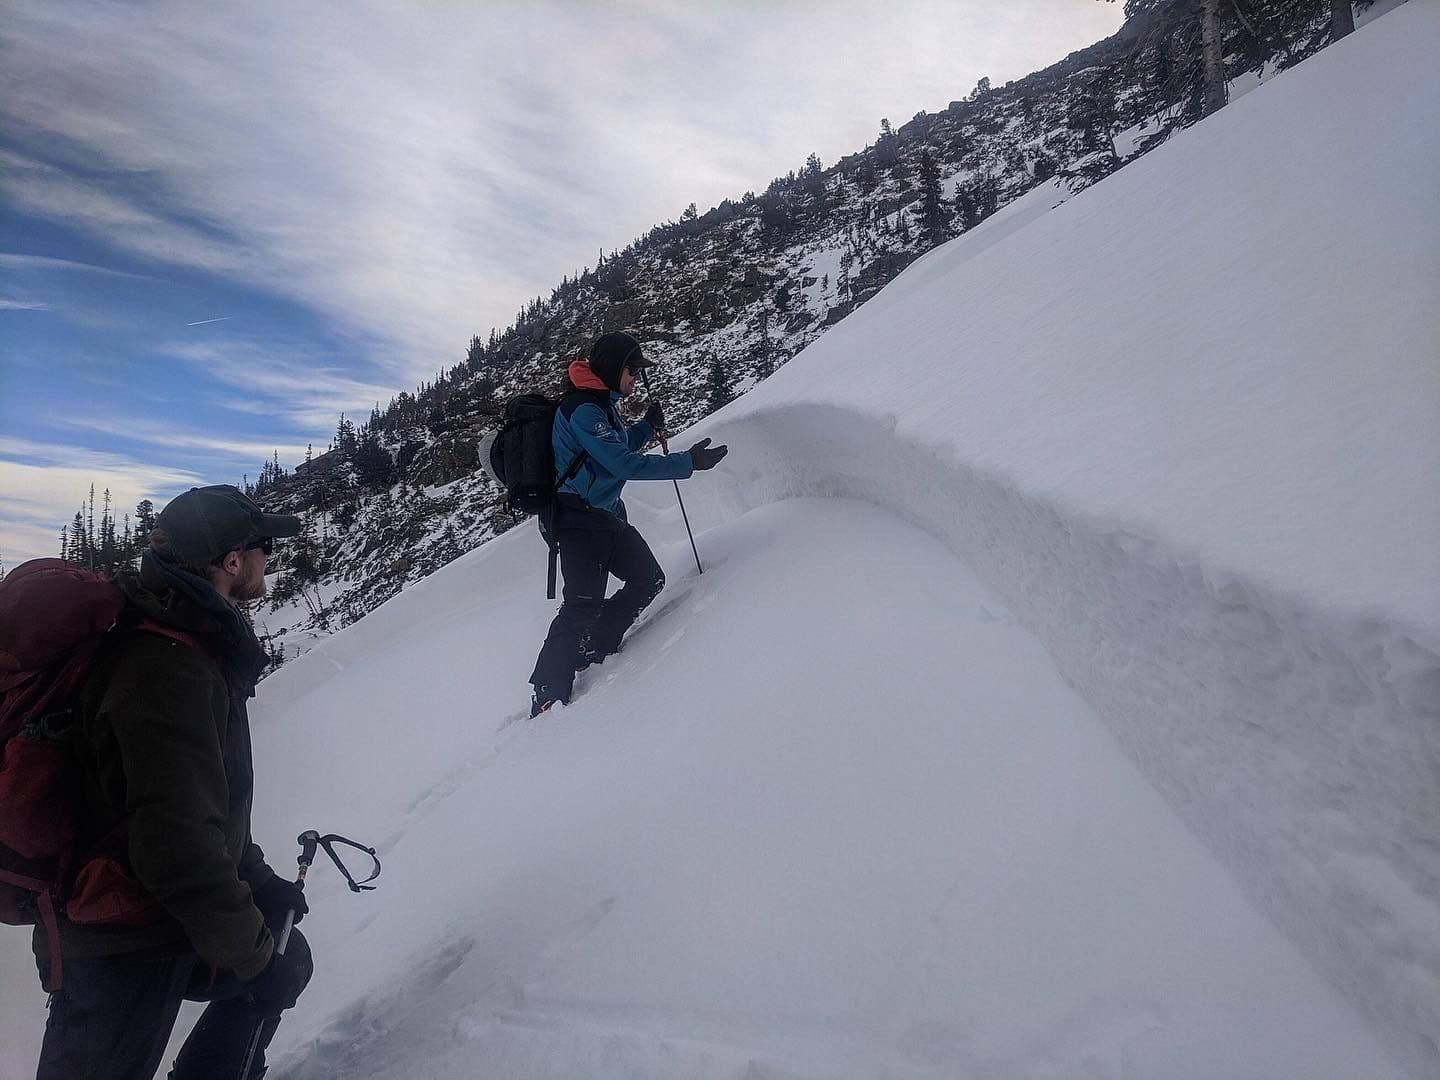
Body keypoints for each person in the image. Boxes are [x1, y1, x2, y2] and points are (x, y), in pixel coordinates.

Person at [34, 485, 313, 1080]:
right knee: (269, 967)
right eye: (263, 546)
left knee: (285, 961)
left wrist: (258, 882)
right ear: (231, 561)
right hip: (115, 935)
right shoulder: (166, 669)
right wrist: (254, 956)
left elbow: (206, 810)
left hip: (150, 917)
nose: (271, 558)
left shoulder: (188, 649)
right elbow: (177, 847)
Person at [529, 331, 728, 716]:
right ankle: (548, 691)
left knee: (647, 578)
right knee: (581, 607)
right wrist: (687, 463)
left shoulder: (603, 406)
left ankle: (593, 647)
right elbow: (622, 464)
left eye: (638, 370)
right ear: (612, 368)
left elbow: (615, 449)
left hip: (605, 516)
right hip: (576, 520)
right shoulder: (583, 410)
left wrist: (645, 427)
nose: (636, 377)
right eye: (632, 369)